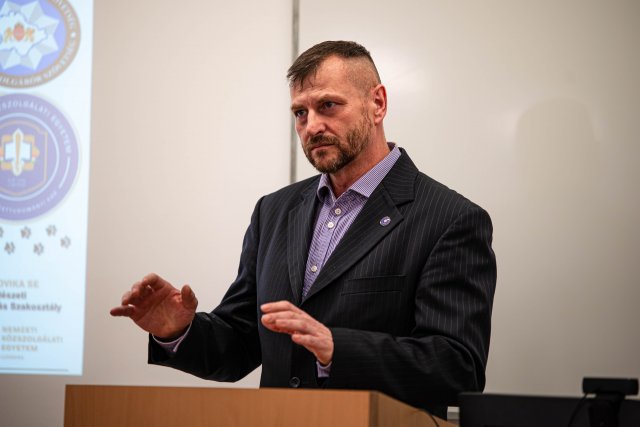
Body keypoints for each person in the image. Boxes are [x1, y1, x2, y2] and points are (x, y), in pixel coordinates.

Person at [110, 40, 497, 418]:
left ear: (377, 103)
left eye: (328, 105)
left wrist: (337, 349)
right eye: (300, 113)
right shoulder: (274, 211)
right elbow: (241, 342)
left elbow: (457, 368)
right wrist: (179, 332)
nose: (311, 126)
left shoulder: (450, 219)